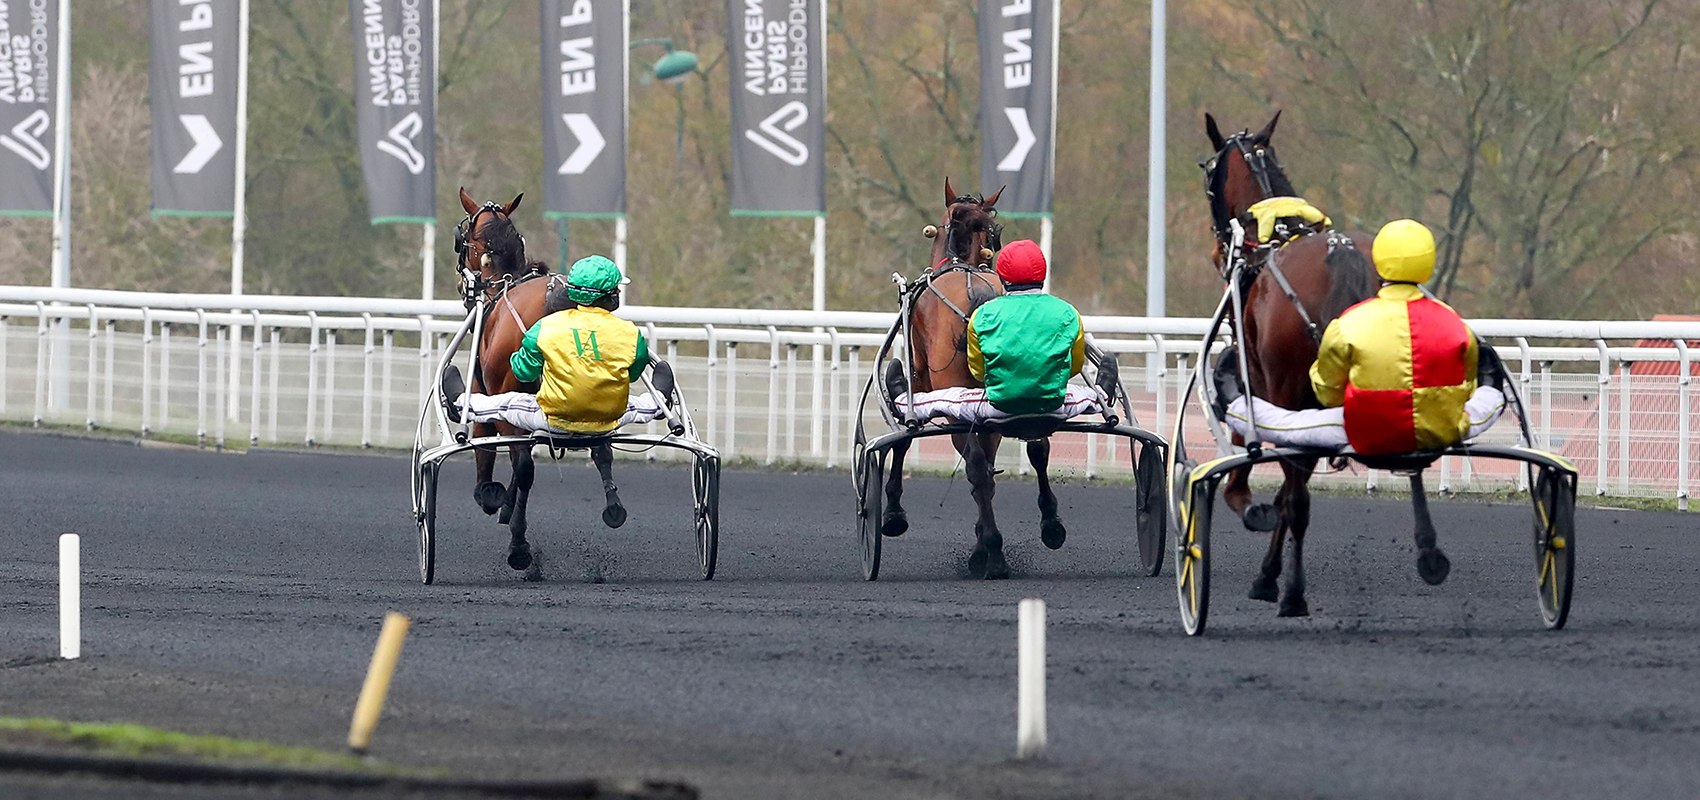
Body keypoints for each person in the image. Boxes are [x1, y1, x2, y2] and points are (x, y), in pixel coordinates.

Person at [1219, 219, 1507, 454]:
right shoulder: (1455, 323)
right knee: (1487, 402)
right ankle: (1494, 386)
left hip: (1364, 431)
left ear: (1378, 261)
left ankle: (1235, 405)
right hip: (1440, 430)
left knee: (1283, 424)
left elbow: (1327, 392)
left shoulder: (1348, 325)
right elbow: (1466, 384)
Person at [888, 239, 1113, 423]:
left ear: (1001, 278)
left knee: (946, 400)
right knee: (1084, 396)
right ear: (1042, 276)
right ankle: (1102, 395)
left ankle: (901, 402)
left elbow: (978, 372)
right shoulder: (1068, 313)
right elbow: (1074, 367)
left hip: (998, 407)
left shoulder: (984, 315)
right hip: (1052, 404)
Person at [441, 255, 670, 435]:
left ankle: (461, 404)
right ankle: (661, 400)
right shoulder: (631, 333)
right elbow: (630, 375)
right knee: (645, 406)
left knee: (504, 404)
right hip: (609, 419)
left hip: (553, 420)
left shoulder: (544, 329)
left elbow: (523, 372)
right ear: (613, 294)